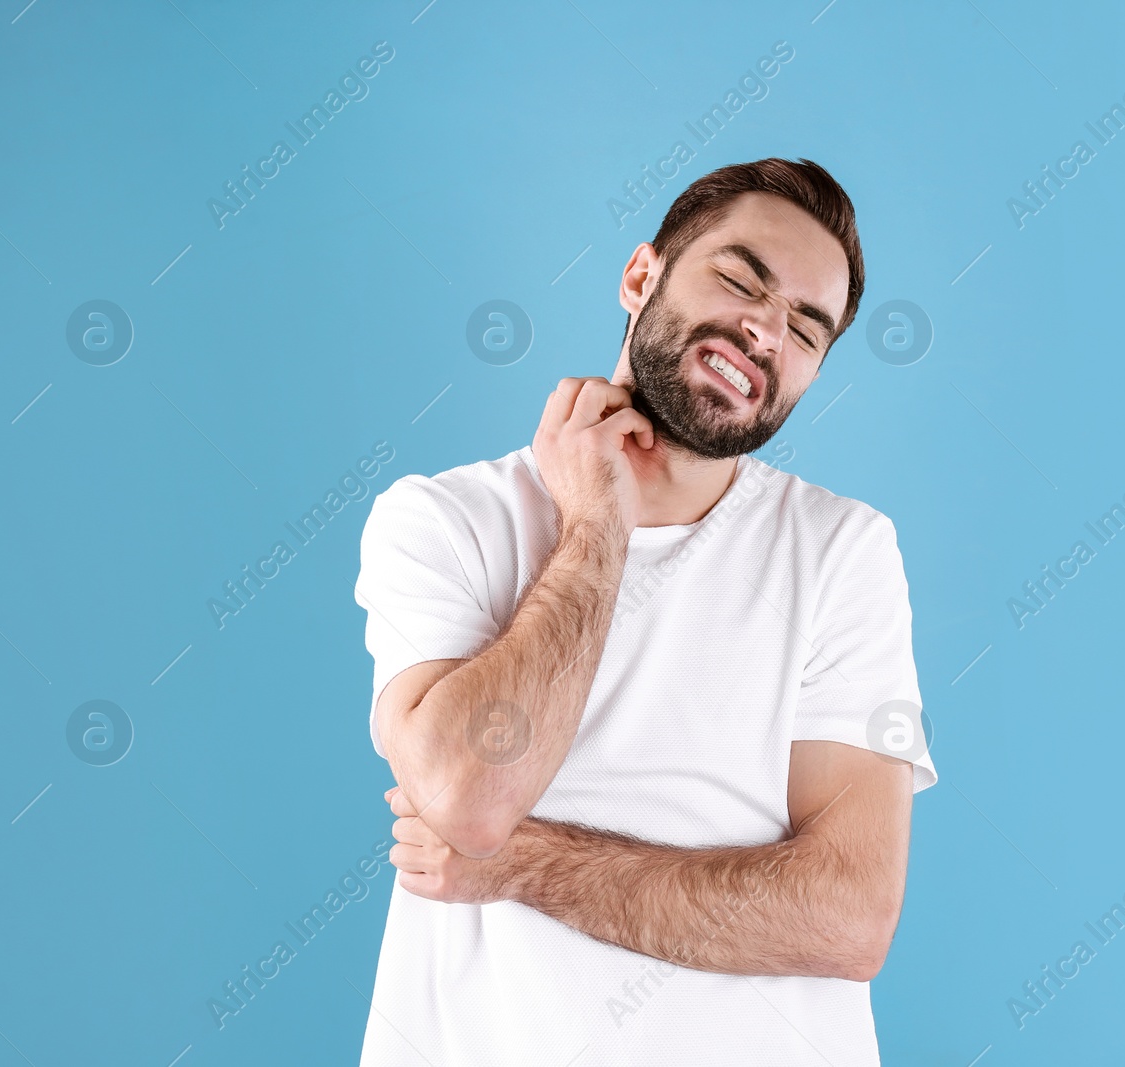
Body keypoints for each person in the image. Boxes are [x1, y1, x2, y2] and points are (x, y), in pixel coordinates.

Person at [354, 157, 937, 1066]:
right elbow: (471, 799)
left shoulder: (840, 551)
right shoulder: (445, 521)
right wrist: (595, 523)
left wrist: (525, 864)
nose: (765, 330)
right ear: (641, 277)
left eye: (806, 330)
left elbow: (849, 913)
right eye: (742, 280)